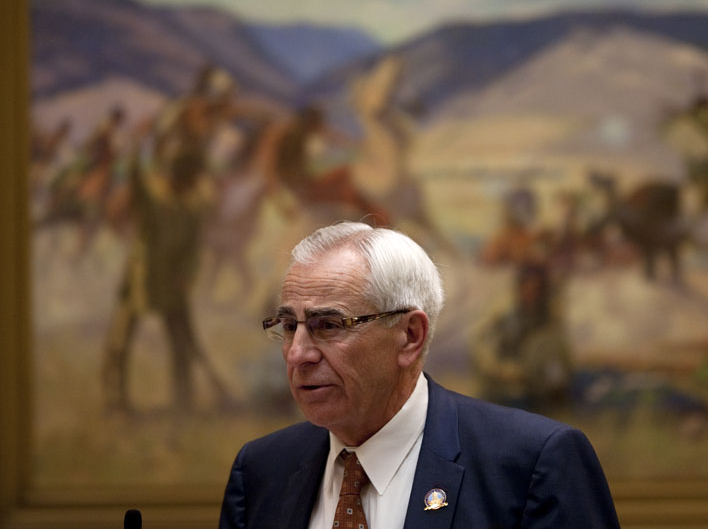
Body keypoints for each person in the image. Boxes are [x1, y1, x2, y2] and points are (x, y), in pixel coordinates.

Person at [219, 221, 620, 529]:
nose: (298, 354)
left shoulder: (532, 464)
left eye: (328, 325)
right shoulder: (261, 470)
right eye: (289, 326)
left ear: (410, 336)